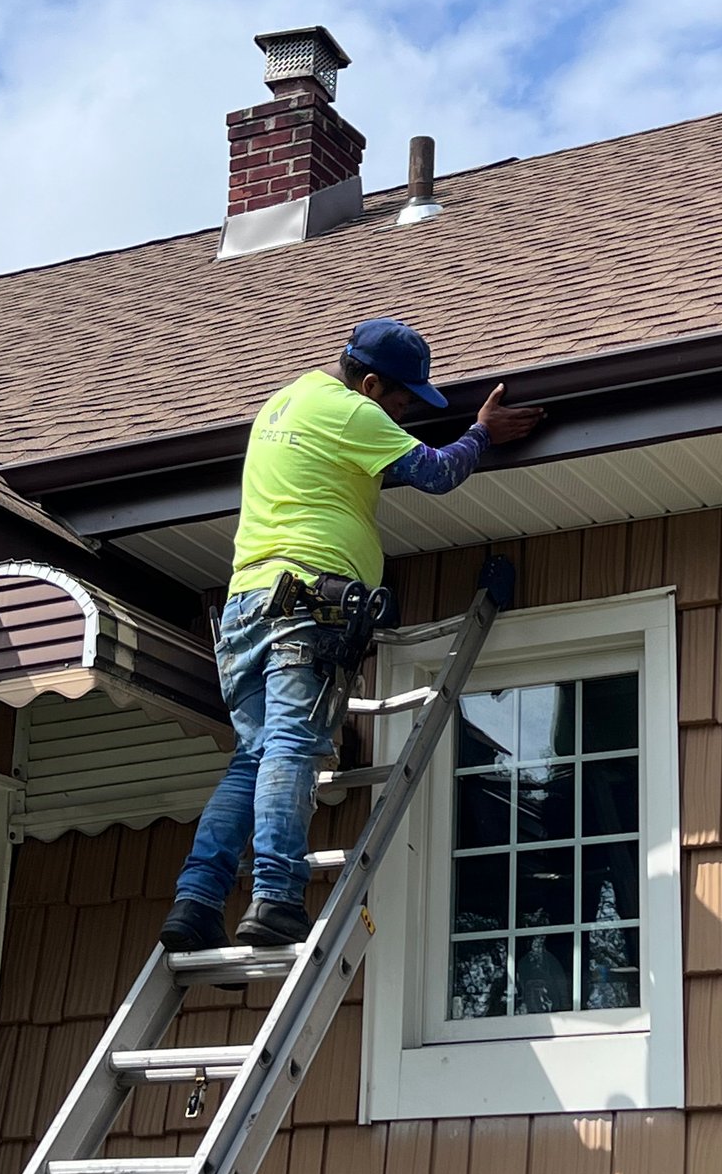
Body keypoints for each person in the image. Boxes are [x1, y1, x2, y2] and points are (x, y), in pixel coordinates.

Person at [160, 317, 544, 953]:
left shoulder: (287, 402)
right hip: (303, 605)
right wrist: (481, 431)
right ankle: (276, 896)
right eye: (402, 402)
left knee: (253, 756)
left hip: (246, 605)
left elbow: (363, 470)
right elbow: (437, 472)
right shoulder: (353, 413)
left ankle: (197, 900)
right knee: (290, 746)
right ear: (369, 385)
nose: (404, 416)